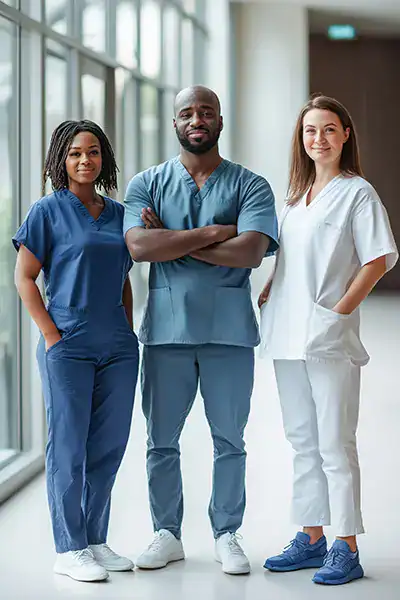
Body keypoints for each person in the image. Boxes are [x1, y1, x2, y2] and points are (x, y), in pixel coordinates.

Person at [124, 85, 278, 575]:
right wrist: (216, 232)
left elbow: (251, 252)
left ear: (219, 121)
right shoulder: (146, 184)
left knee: (229, 439)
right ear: (174, 123)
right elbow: (139, 248)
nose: (197, 119)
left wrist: (171, 239)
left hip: (228, 332)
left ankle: (226, 533)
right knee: (160, 439)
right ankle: (167, 533)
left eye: (206, 111)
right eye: (187, 112)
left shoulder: (251, 186)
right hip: (167, 332)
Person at [259, 94, 398, 585]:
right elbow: (289, 259)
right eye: (310, 131)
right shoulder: (293, 199)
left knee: (336, 443)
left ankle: (347, 545)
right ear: (302, 140)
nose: (319, 138)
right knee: (302, 442)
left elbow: (378, 259)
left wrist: (338, 312)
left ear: (345, 136)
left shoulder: (357, 192)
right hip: (286, 334)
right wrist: (273, 288)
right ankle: (311, 537)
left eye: (329, 129)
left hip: (326, 335)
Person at [13, 120, 139, 582]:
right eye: (74, 154)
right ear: (59, 161)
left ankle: (95, 539)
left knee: (109, 445)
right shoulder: (47, 211)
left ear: (103, 157)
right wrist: (50, 335)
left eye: (92, 152)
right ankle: (68, 548)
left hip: (118, 347)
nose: (84, 160)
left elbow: (123, 276)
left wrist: (126, 328)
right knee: (68, 447)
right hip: (68, 343)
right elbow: (23, 277)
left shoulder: (121, 213)